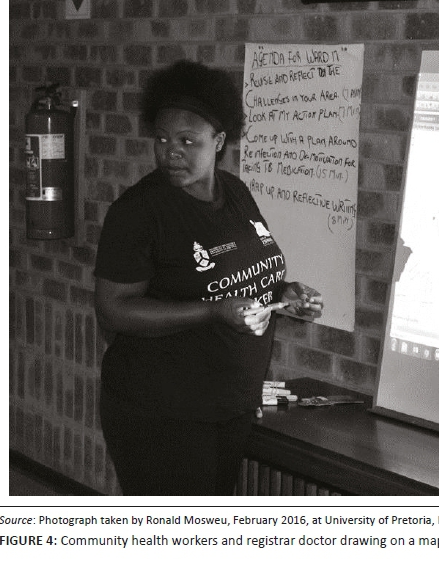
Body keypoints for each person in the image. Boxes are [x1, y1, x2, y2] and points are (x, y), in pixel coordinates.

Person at [94, 60, 323, 495]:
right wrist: (212, 312)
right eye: (162, 139)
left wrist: (286, 294)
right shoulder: (138, 212)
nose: (170, 152)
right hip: (161, 416)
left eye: (187, 140)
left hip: (228, 408)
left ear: (218, 141)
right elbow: (112, 309)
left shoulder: (236, 192)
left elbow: (247, 279)